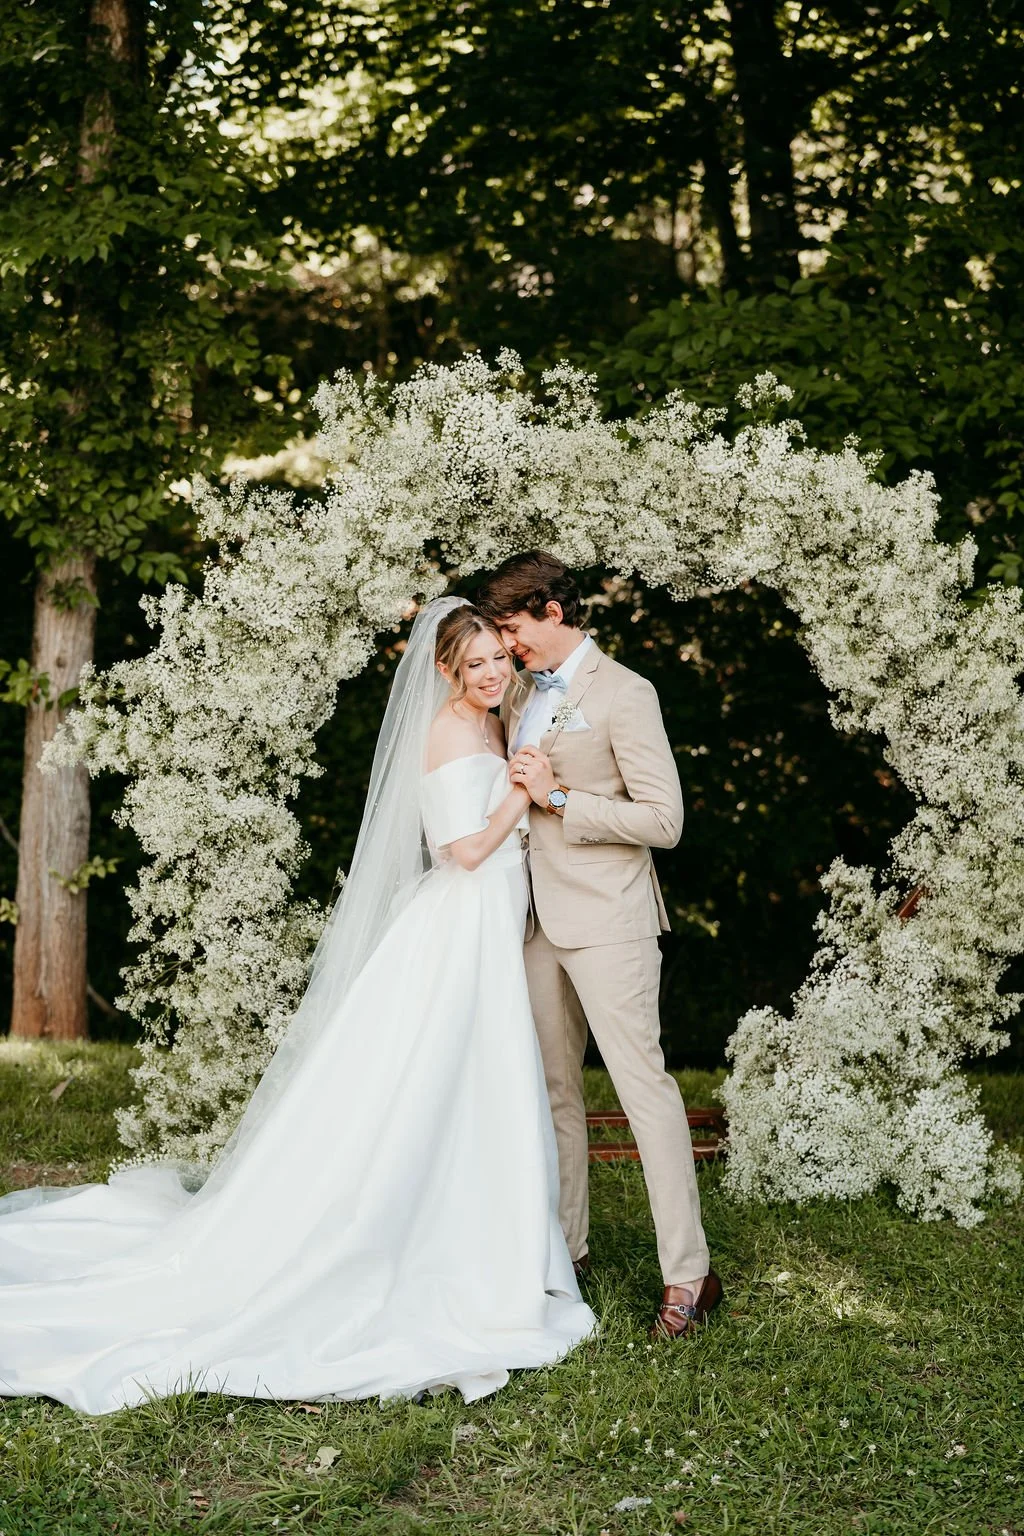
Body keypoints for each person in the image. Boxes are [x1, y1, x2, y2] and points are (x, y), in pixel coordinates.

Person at [0, 598, 595, 1414]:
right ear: (444, 671)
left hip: (491, 924)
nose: (494, 672)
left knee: (481, 1081)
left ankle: (492, 1237)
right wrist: (523, 799)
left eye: (500, 657)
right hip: (459, 925)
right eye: (478, 663)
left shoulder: (495, 722)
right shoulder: (450, 733)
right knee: (438, 1078)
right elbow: (459, 852)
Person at [477, 552, 722, 1340]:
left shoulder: (626, 693)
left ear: (551, 610)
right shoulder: (514, 692)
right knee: (553, 1095)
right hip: (534, 923)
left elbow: (665, 822)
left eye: (512, 629)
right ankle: (567, 1255)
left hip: (611, 919)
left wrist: (559, 797)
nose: (507, 647)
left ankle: (689, 1274)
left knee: (644, 1094)